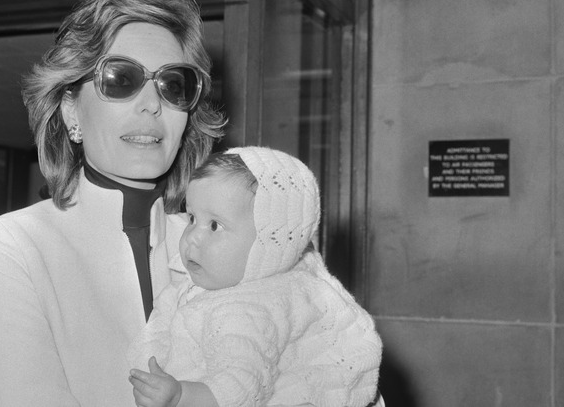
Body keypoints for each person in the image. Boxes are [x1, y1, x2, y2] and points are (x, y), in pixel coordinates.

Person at [0, 0, 225, 406]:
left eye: (173, 84)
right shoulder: (12, 245)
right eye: (121, 79)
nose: (152, 105)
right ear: (71, 109)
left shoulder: (224, 242)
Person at [128, 147, 383, 407]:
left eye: (215, 225)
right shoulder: (226, 276)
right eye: (192, 217)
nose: (191, 235)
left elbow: (241, 388)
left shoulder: (246, 310)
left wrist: (181, 396)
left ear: (266, 245)